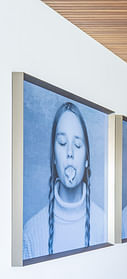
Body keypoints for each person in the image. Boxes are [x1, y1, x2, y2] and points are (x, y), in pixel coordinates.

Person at [23, 102, 105, 259]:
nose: (70, 152)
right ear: (53, 156)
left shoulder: (105, 225)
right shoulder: (30, 233)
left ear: (87, 159)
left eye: (78, 144)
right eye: (62, 143)